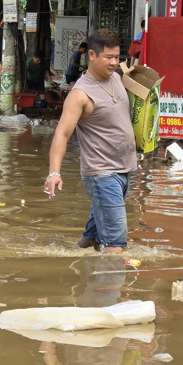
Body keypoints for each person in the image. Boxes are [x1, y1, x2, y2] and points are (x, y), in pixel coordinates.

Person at [45, 29, 137, 254]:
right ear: (92, 55)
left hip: (124, 168)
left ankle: (78, 256)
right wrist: (54, 173)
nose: (114, 63)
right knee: (116, 245)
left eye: (117, 57)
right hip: (102, 173)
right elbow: (62, 134)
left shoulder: (116, 77)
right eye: (109, 57)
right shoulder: (80, 94)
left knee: (92, 240)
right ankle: (111, 285)